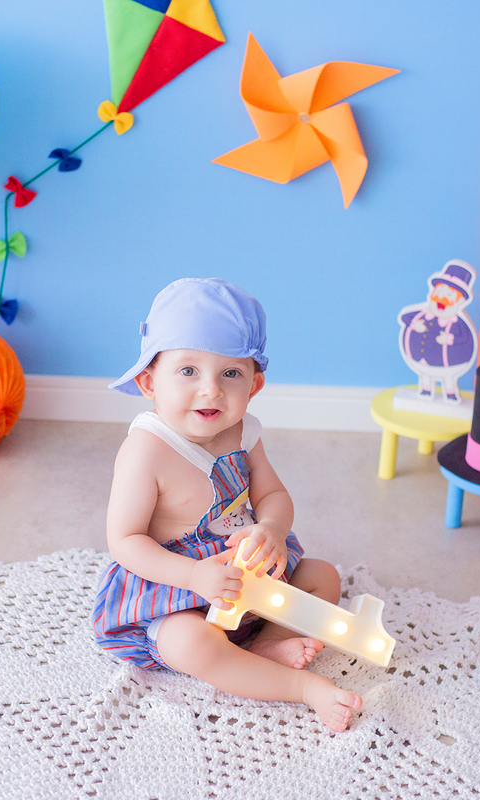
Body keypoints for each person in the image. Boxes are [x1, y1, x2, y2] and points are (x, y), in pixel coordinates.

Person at [92, 278, 363, 733]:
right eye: (188, 371)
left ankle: (266, 646)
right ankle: (300, 689)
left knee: (324, 578)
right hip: (176, 589)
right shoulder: (146, 449)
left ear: (254, 385)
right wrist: (194, 576)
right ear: (148, 381)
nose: (211, 390)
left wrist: (272, 529)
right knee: (188, 643)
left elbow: (273, 496)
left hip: (245, 573)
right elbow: (125, 540)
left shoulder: (246, 432)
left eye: (230, 374)